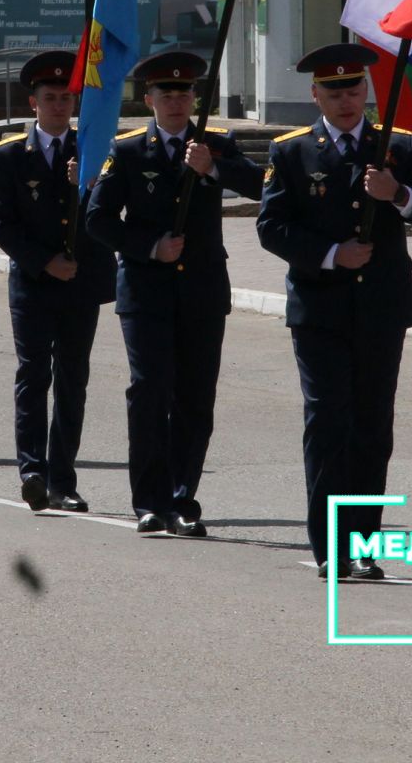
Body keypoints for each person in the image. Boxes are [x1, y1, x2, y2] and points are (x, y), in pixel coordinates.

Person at [256, 44, 412, 580]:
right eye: (333, 91)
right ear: (315, 95)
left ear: (367, 92)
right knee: (328, 420)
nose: (345, 101)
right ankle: (330, 547)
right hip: (319, 309)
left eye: (354, 90)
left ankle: (363, 544)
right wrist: (333, 255)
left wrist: (398, 193)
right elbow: (272, 228)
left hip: (381, 308)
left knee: (371, 427)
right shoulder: (292, 152)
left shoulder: (397, 147)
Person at [84, 51, 265, 537]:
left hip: (203, 291)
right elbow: (97, 220)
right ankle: (148, 500)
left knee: (194, 396)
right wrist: (149, 247)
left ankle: (184, 497)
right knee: (149, 391)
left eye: (185, 92)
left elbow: (265, 187)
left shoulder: (215, 145)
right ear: (149, 100)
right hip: (145, 291)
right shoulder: (126, 151)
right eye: (166, 93)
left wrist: (213, 170)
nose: (177, 100)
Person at [0, 49, 115, 514]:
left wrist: (89, 184)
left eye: (67, 98)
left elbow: (111, 216)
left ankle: (63, 478)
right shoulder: (8, 156)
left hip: (82, 282)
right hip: (34, 284)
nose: (60, 105)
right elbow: (0, 222)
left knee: (72, 380)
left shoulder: (95, 151)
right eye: (51, 98)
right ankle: (32, 472)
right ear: (33, 104)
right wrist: (44, 262)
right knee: (34, 374)